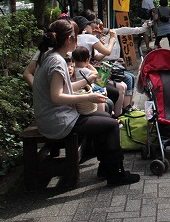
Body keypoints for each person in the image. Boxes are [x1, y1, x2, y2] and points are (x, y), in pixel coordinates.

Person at [32, 18, 140, 186]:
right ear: (69, 39)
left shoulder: (50, 56)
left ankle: (106, 168)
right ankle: (115, 174)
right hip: (58, 120)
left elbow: (64, 89)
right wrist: (88, 97)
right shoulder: (57, 62)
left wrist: (87, 80)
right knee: (111, 125)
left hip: (54, 116)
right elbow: (57, 96)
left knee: (106, 118)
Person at [71, 46, 115, 116]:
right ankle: (103, 114)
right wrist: (89, 65)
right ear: (87, 59)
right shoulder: (85, 71)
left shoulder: (73, 69)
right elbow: (96, 74)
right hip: (88, 93)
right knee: (101, 91)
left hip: (79, 92)